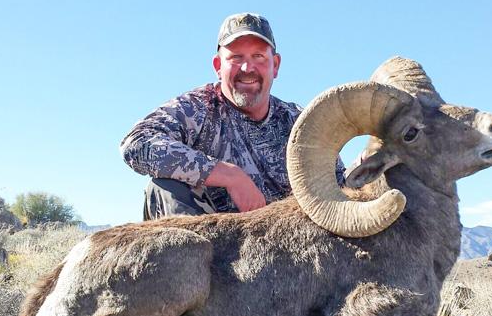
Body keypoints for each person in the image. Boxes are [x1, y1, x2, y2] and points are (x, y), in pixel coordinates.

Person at [121, 12, 345, 220]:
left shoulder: (299, 122)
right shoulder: (198, 108)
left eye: (258, 56)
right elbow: (136, 143)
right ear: (218, 66)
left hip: (286, 249)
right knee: (164, 188)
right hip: (211, 249)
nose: (247, 67)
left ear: (275, 65)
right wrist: (228, 175)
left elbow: (339, 183)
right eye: (236, 57)